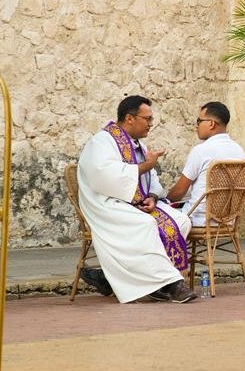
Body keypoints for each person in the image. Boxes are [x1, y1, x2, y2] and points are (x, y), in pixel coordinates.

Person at [76, 95, 197, 303]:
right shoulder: (102, 141)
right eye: (147, 119)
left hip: (136, 203)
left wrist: (152, 197)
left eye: (151, 119)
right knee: (145, 225)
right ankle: (173, 285)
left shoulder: (139, 144)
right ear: (130, 118)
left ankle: (120, 280)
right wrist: (145, 166)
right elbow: (103, 177)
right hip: (106, 203)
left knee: (181, 221)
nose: (151, 124)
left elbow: (151, 179)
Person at [166, 101, 245, 227]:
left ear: (211, 124)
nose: (196, 126)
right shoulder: (239, 151)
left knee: (156, 213)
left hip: (198, 219)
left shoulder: (201, 151)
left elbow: (179, 192)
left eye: (199, 121)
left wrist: (164, 199)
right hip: (228, 220)